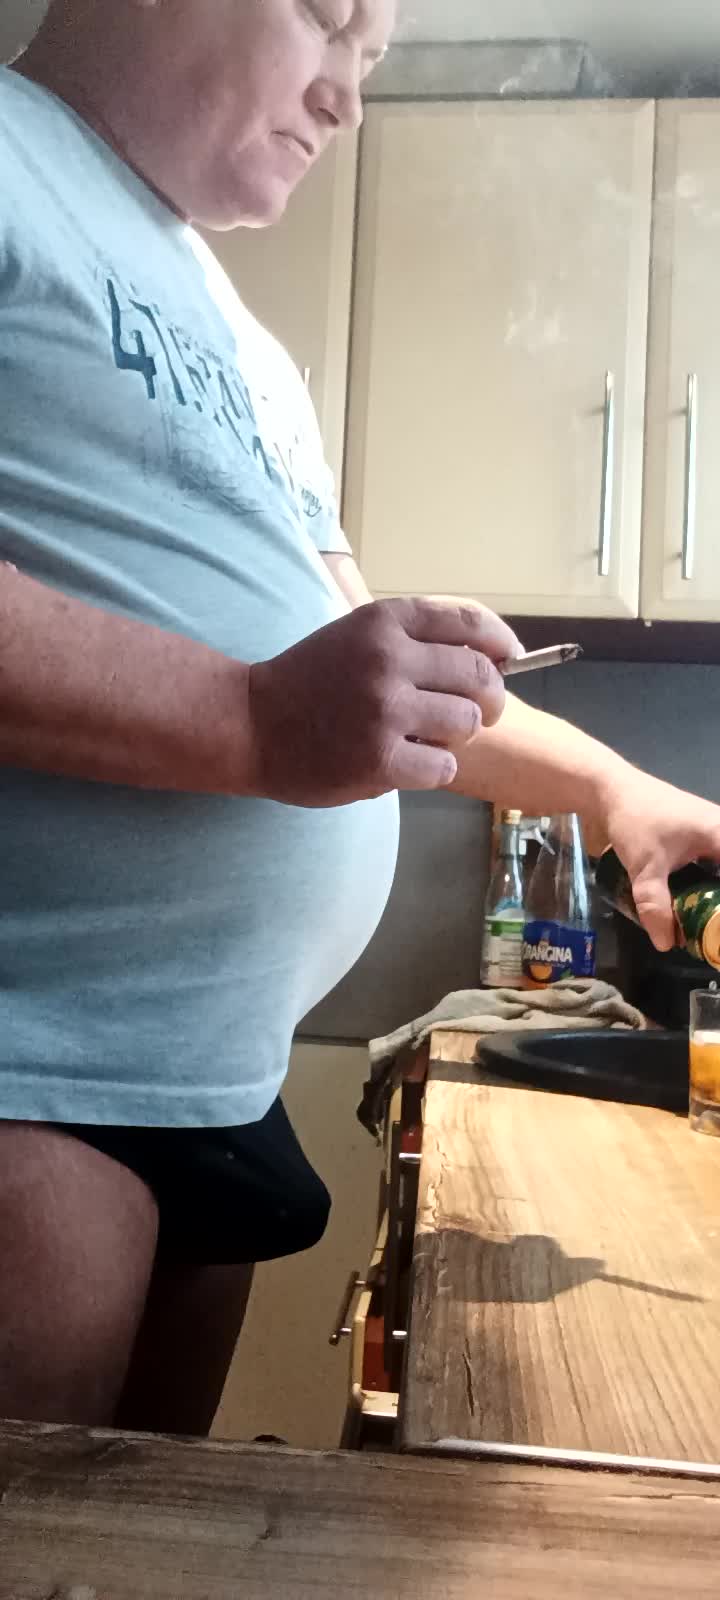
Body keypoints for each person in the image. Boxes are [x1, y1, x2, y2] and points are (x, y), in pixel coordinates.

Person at [1, 0, 719, 1438]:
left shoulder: (244, 339)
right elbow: (279, 701)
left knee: (145, 1539)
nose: (347, 96)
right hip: (38, 1055)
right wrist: (254, 717)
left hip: (216, 1074)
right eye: (328, 20)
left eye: (374, 59)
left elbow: (373, 674)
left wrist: (614, 790)